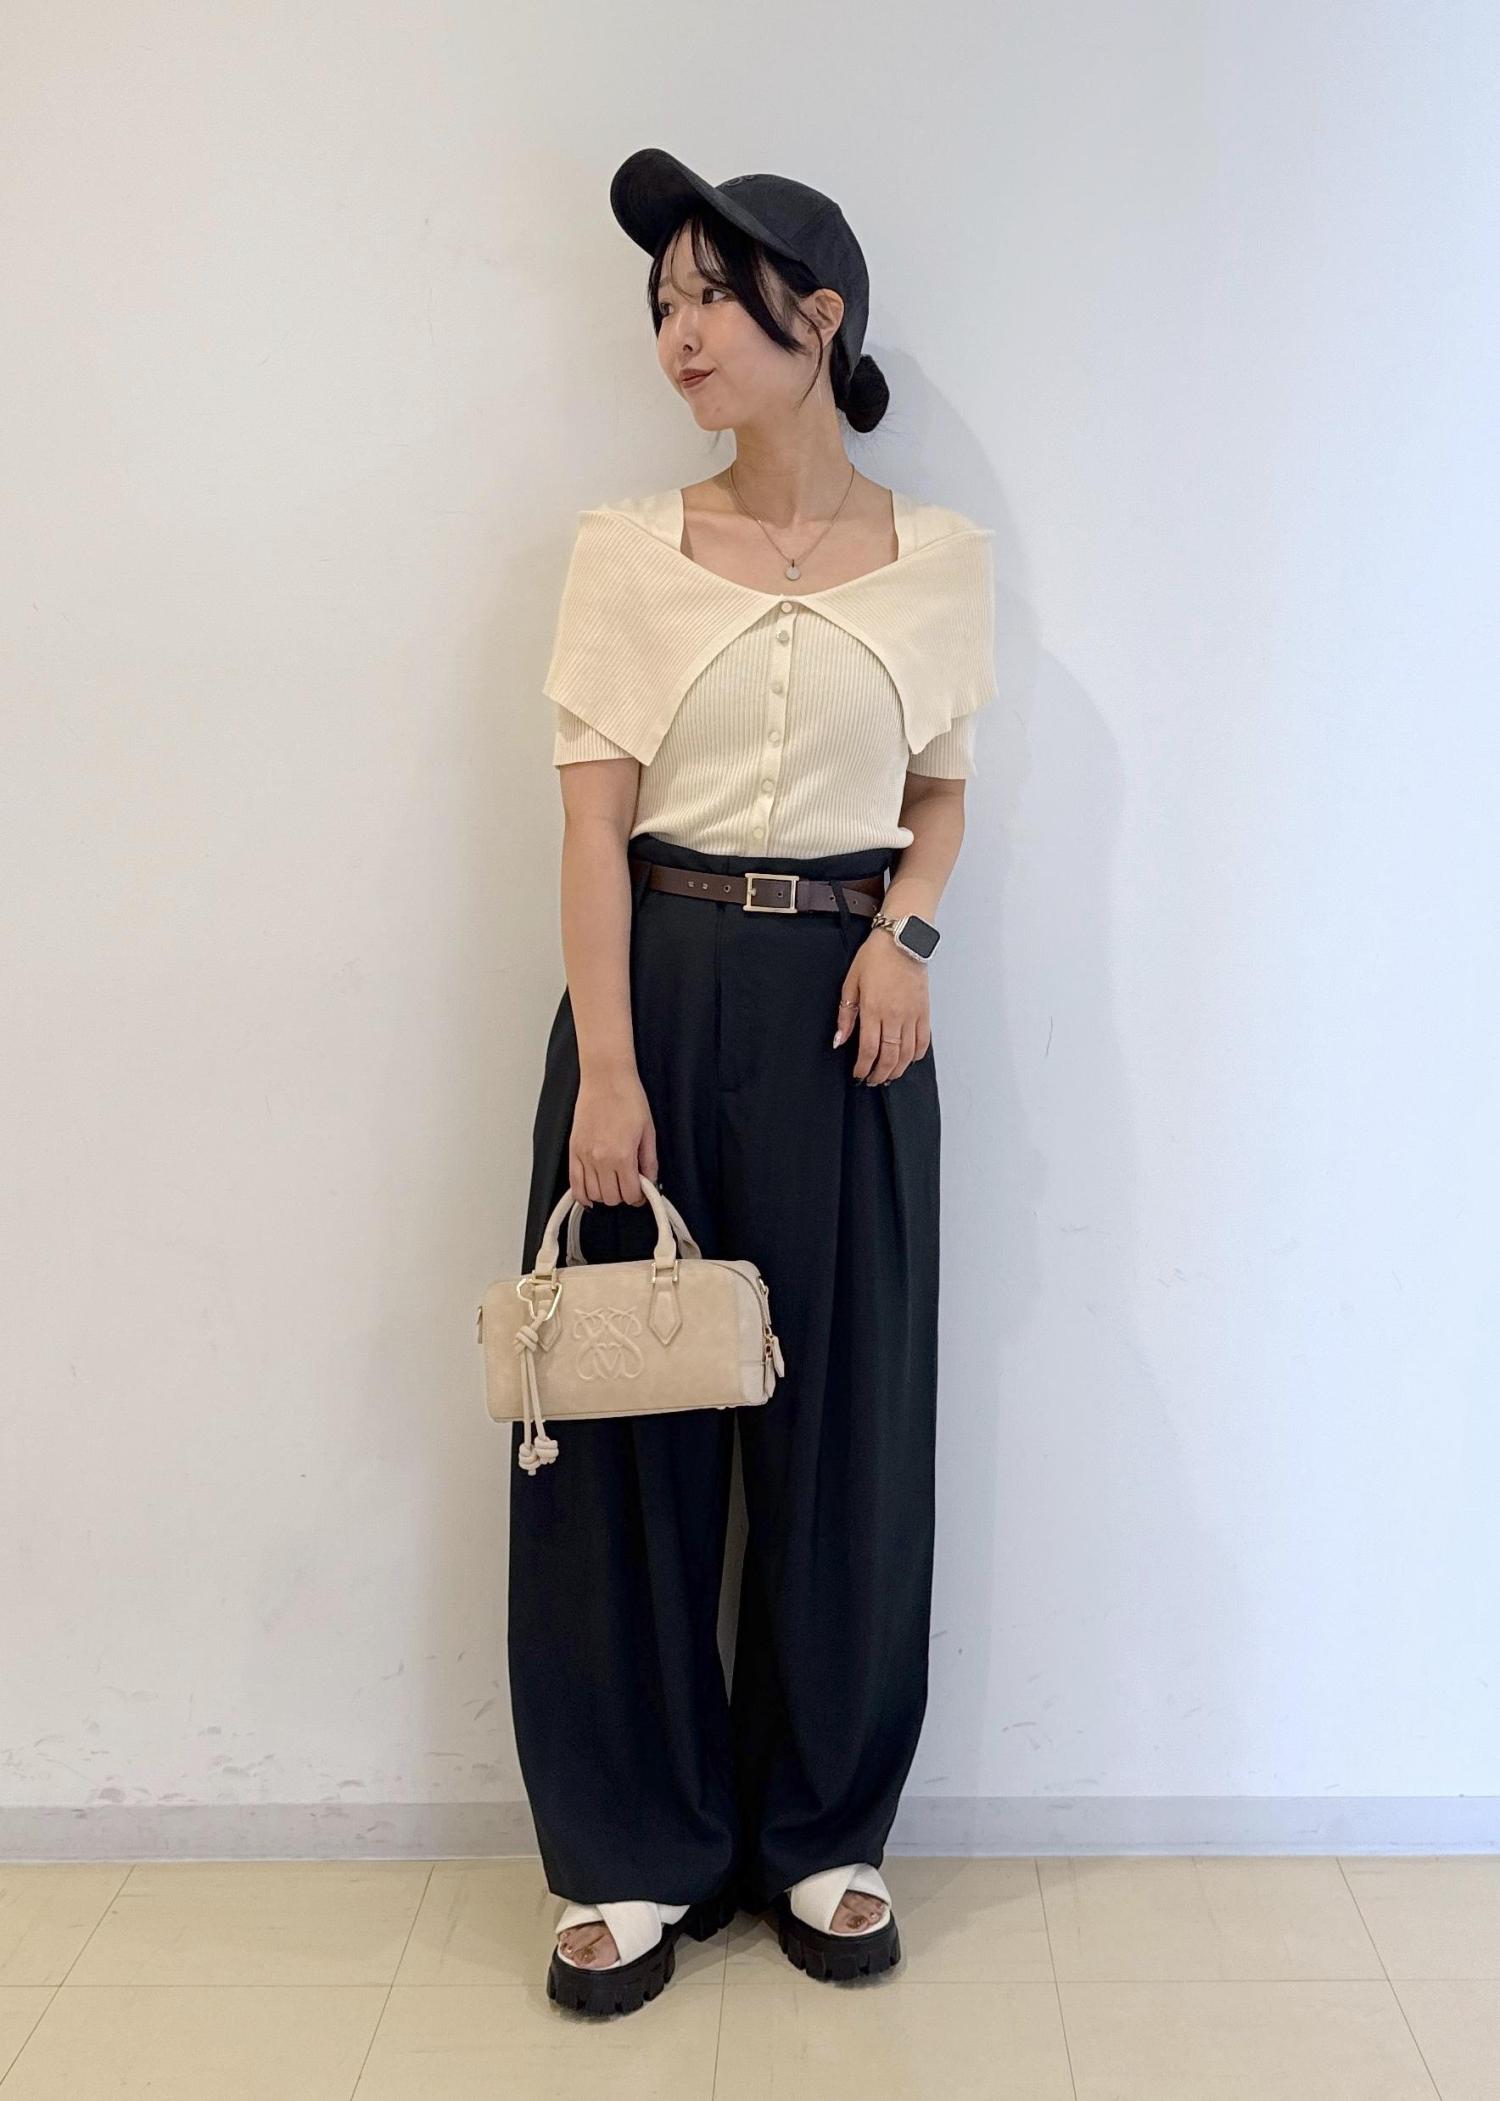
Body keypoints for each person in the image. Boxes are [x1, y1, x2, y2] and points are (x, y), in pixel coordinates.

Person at [507, 147, 998, 2017]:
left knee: (847, 1425)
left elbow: (940, 793)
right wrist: (606, 1069)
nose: (680, 332)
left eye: (714, 293)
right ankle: (633, 1850)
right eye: (663, 303)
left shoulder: (939, 560)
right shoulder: (627, 550)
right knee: (625, 1415)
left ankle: (824, 1832)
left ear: (822, 314)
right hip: (658, 985)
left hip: (851, 1008)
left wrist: (910, 933)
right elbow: (591, 823)